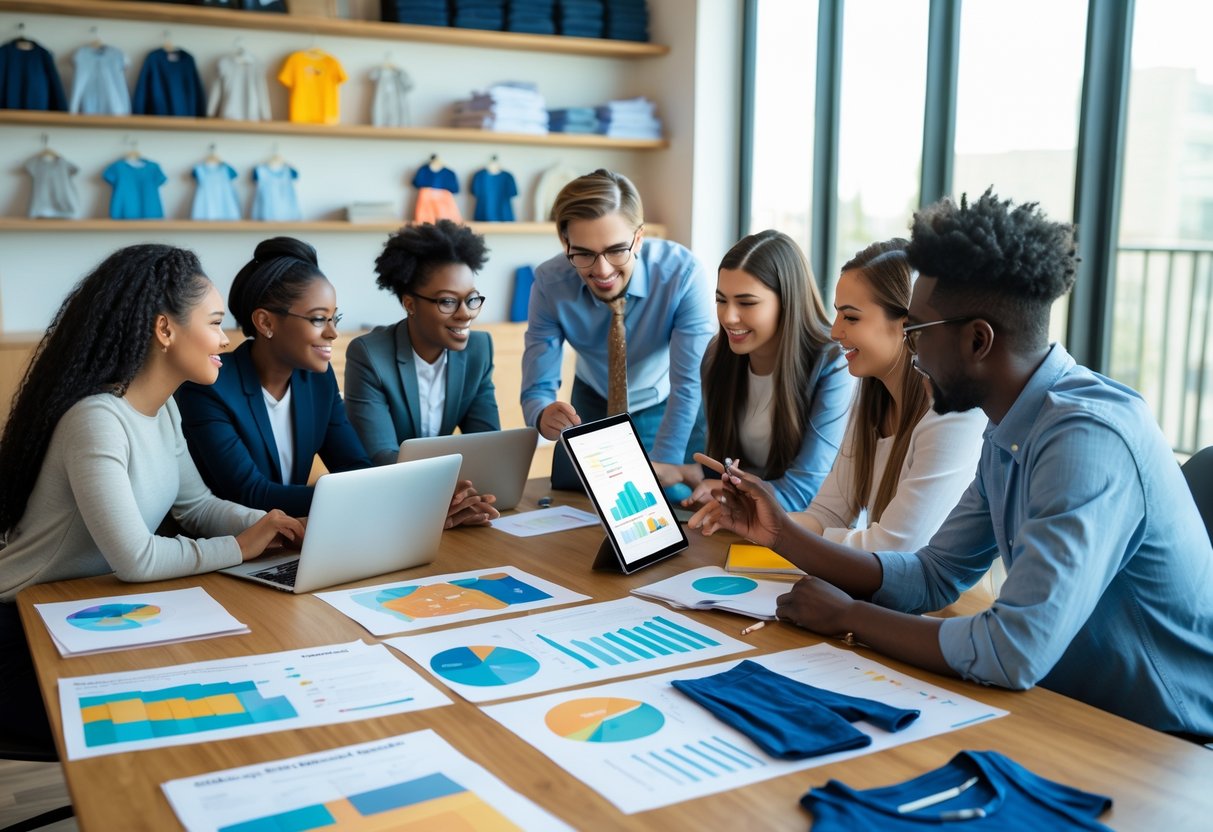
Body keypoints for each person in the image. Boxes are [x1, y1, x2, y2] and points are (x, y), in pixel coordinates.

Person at [690, 190, 1213, 739]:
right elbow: (934, 574)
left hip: (1163, 740)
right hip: (1073, 709)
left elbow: (1011, 651)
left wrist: (851, 617)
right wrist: (781, 534)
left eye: (915, 331)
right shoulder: (1011, 423)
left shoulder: (1085, 439)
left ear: (977, 340)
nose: (909, 352)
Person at [0, 244, 303, 748]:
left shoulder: (162, 410)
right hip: (22, 631)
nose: (225, 341)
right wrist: (243, 546)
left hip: (89, 614)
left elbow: (197, 506)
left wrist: (274, 523)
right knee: (193, 711)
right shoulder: (97, 419)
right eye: (213, 323)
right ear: (165, 330)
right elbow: (136, 558)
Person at [176, 237, 497, 526]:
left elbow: (354, 467)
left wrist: (428, 502)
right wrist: (393, 500)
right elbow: (252, 493)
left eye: (334, 318)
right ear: (265, 322)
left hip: (293, 541)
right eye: (318, 319)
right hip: (227, 550)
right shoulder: (209, 386)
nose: (332, 332)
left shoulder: (316, 380)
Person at [521, 168, 715, 489]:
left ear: (639, 238)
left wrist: (665, 461)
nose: (602, 270)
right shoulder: (549, 282)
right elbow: (537, 385)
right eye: (583, 253)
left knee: (675, 504)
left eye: (615, 250)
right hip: (590, 400)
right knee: (579, 500)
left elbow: (688, 382)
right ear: (565, 242)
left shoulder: (682, 274)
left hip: (666, 402)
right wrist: (542, 413)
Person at [791, 238, 987, 549]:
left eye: (851, 317)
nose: (835, 332)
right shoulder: (871, 397)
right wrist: (763, 520)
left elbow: (895, 550)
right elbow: (828, 514)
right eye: (838, 315)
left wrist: (792, 536)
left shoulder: (954, 414)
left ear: (908, 325)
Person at [652, 230, 853, 510]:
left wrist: (733, 495)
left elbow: (804, 493)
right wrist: (686, 473)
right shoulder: (718, 355)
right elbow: (726, 469)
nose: (729, 317)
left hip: (806, 531)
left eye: (746, 303)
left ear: (787, 302)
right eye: (721, 300)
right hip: (744, 522)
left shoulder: (833, 364)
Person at [345, 220, 500, 467]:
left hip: (451, 492)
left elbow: (489, 445)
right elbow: (382, 456)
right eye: (448, 302)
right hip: (391, 493)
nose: (466, 314)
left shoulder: (478, 351)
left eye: (471, 299)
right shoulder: (370, 355)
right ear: (410, 304)